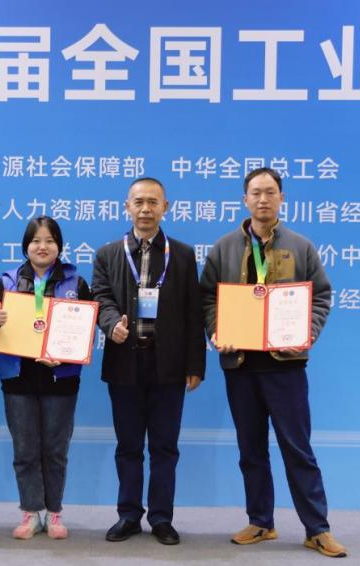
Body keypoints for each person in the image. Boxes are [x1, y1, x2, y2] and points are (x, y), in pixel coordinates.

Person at [199, 167, 346, 558]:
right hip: (241, 366)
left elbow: (321, 296)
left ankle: (317, 528)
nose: (263, 199)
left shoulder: (300, 246)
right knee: (251, 450)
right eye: (255, 193)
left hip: (286, 366)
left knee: (297, 449)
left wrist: (306, 333)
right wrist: (217, 330)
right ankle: (261, 521)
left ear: (282, 198)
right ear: (244, 199)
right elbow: (208, 297)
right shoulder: (224, 247)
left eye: (270, 192)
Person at [91, 177, 206, 546]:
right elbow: (100, 297)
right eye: (138, 201)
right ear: (127, 206)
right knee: (128, 447)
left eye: (153, 202)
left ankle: (161, 517)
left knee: (164, 447)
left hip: (168, 365)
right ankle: (128, 515)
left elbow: (193, 312)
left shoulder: (182, 255)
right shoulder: (108, 254)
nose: (145, 209)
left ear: (165, 207)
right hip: (125, 363)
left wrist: (195, 364)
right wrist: (111, 324)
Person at [0, 217, 92, 540]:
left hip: (61, 378)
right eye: (36, 241)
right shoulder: (9, 281)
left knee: (55, 450)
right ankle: (30, 511)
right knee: (25, 450)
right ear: (25, 246)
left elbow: (84, 330)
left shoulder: (76, 282)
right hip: (19, 378)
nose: (43, 247)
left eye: (50, 241)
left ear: (59, 246)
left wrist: (64, 354)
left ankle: (54, 513)